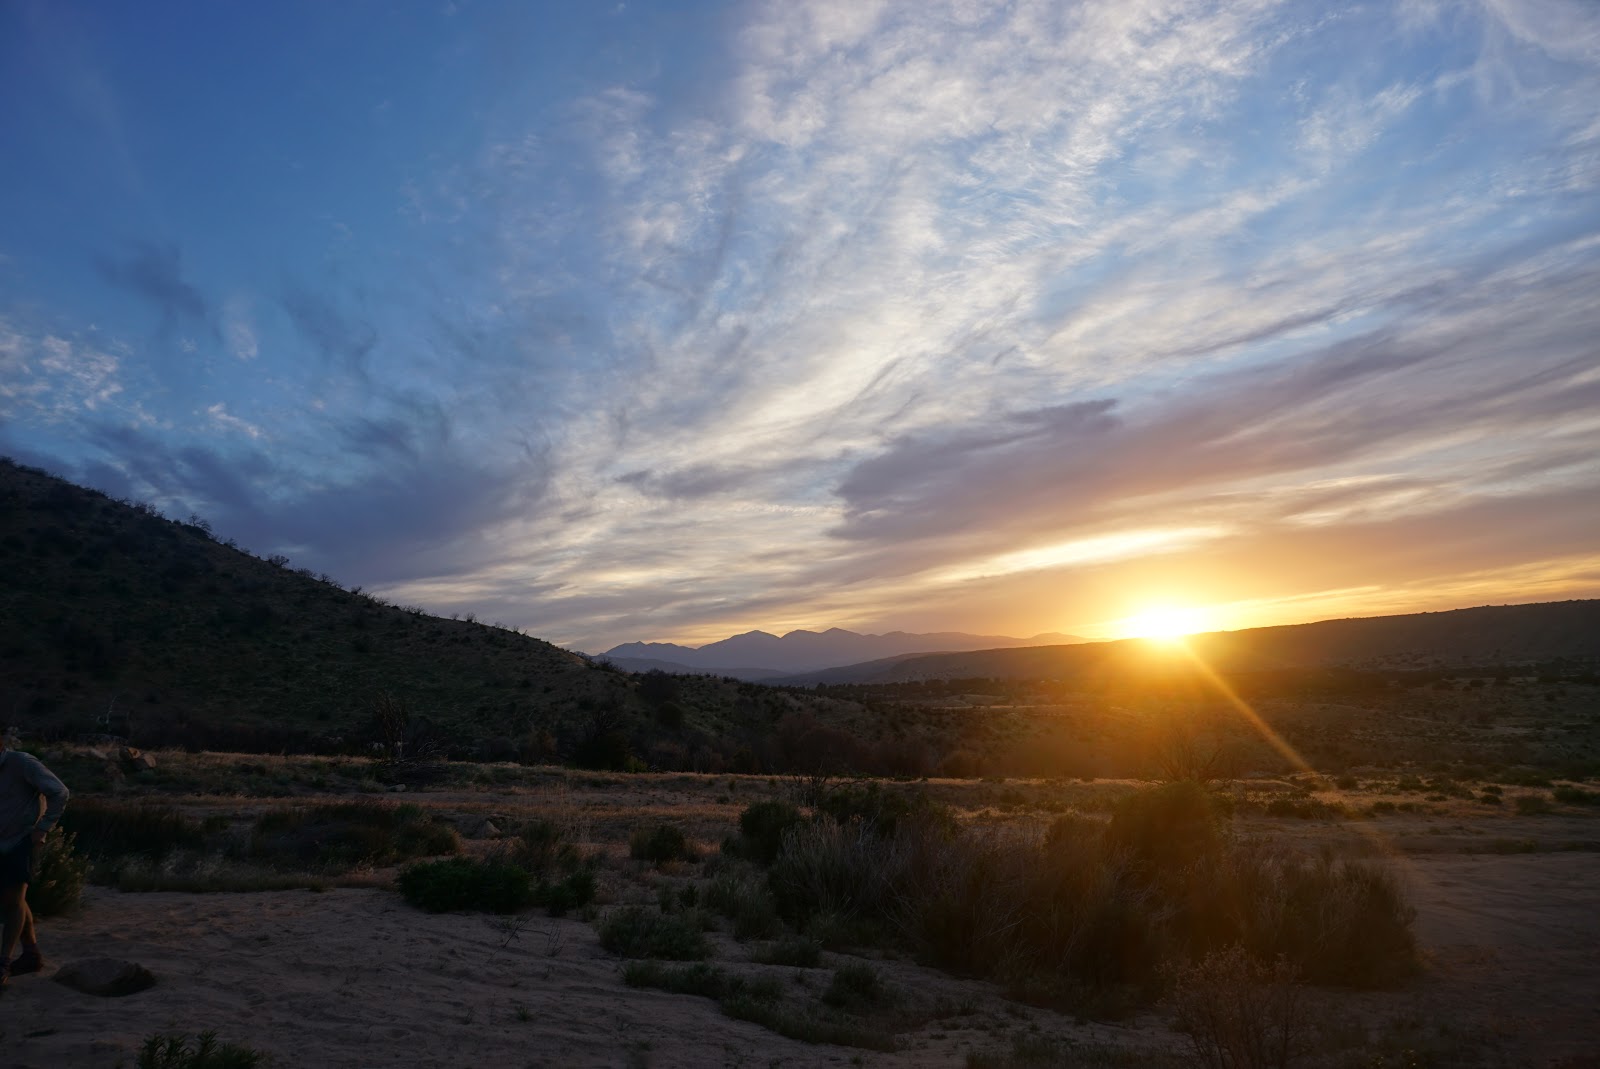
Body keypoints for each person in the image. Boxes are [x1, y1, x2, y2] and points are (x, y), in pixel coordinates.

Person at [0, 732, 69, 994]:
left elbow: (59, 792)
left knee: (13, 900)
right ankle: (30, 954)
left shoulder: (22, 763)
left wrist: (43, 828)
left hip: (20, 841)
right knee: (12, 899)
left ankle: (3, 962)